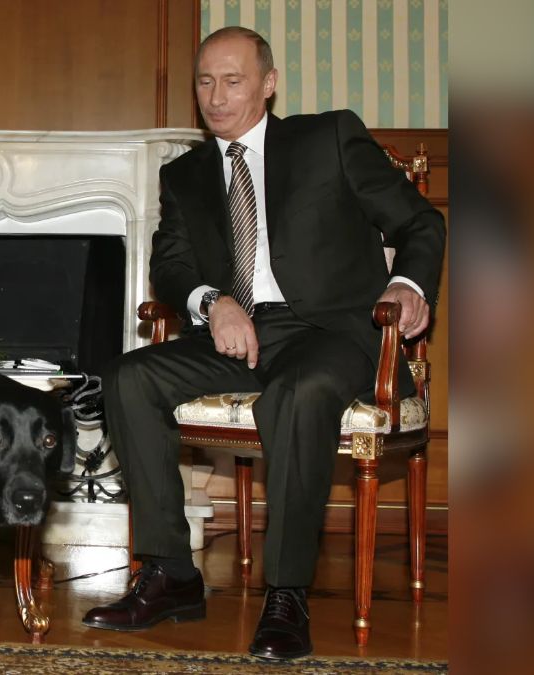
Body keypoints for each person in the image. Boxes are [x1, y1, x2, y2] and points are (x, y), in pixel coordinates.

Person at [80, 27, 444, 660]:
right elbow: (170, 267)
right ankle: (170, 571)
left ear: (269, 85)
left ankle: (286, 592)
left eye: (233, 80)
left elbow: (420, 221)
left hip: (332, 332)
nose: (216, 97)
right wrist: (210, 301)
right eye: (204, 82)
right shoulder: (185, 174)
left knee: (297, 392)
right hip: (240, 332)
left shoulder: (327, 138)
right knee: (129, 376)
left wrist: (408, 284)